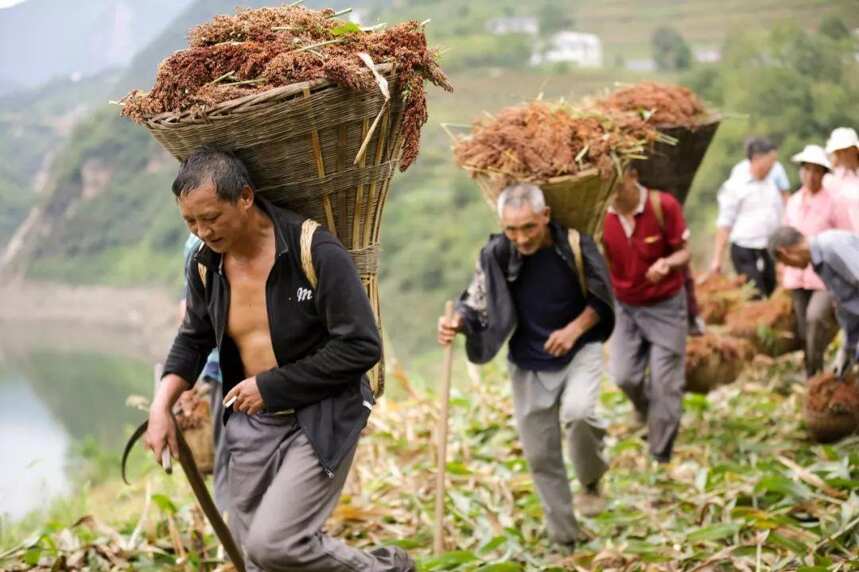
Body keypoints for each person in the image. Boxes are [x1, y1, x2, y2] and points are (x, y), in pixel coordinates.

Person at [144, 148, 413, 571]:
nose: (203, 231)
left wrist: (269, 387)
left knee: (276, 545)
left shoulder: (314, 250)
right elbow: (193, 339)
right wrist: (160, 407)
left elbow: (361, 346)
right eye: (191, 222)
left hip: (321, 414)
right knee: (253, 554)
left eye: (211, 217)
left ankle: (386, 569)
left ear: (246, 198)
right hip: (251, 422)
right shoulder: (203, 263)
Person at [437, 183, 616, 550]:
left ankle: (592, 479)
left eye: (529, 227)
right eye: (511, 229)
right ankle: (566, 540)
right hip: (528, 362)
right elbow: (477, 298)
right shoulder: (498, 253)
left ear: (545, 217)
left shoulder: (576, 245)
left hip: (580, 350)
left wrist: (573, 330)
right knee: (541, 455)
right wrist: (458, 321)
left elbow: (603, 297)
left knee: (580, 413)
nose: (520, 237)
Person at [602, 167, 690, 464]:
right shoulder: (602, 218)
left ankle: (659, 455)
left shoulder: (662, 205)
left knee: (666, 384)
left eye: (617, 184)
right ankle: (644, 408)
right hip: (625, 307)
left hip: (665, 306)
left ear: (633, 175)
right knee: (624, 376)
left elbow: (684, 252)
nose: (612, 194)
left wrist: (667, 263)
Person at [180, 233, 230, 512]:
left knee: (229, 453)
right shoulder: (196, 247)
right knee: (228, 452)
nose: (203, 228)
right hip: (221, 369)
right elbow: (192, 319)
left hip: (228, 369)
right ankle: (232, 537)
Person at [769, 226, 859, 376]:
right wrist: (847, 349)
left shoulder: (831, 246)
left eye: (785, 263)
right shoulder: (821, 265)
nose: (791, 268)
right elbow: (848, 307)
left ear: (784, 252)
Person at [781, 145, 839, 377]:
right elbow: (784, 234)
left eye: (816, 171)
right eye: (807, 170)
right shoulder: (794, 201)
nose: (811, 176)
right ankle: (812, 373)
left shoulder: (833, 202)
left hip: (824, 275)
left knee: (815, 318)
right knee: (805, 328)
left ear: (823, 174)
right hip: (796, 274)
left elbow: (844, 237)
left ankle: (815, 373)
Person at [709, 137, 784, 298]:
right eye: (770, 161)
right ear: (757, 158)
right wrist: (717, 258)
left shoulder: (771, 184)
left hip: (768, 248)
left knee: (771, 290)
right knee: (754, 294)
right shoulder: (735, 187)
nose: (773, 165)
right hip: (744, 248)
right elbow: (724, 224)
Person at [825, 127, 859, 233]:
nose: (842, 156)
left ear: (854, 150)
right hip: (842, 237)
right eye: (838, 152)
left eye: (845, 150)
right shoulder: (830, 180)